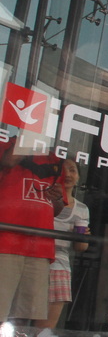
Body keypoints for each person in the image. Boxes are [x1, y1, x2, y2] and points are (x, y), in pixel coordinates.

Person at [0, 131, 64, 325]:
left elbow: (58, 209)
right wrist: (27, 138)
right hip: (6, 242)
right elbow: (10, 160)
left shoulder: (54, 157)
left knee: (26, 315)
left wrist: (58, 197)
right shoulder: (6, 143)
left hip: (40, 246)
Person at [34, 159, 90, 330]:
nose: (68, 175)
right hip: (34, 261)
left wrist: (82, 238)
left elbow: (80, 248)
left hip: (60, 266)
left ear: (79, 177)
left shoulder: (82, 209)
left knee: (46, 328)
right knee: (18, 321)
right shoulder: (40, 197)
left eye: (72, 170)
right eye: (63, 170)